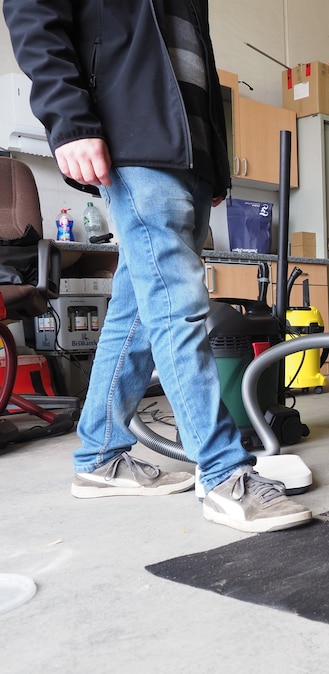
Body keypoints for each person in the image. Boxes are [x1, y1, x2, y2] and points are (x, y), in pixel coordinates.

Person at [4, 0, 312, 533]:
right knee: (179, 305)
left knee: (137, 316)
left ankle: (98, 455)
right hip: (132, 137)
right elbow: (32, 11)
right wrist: (68, 119)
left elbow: (196, 64)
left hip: (189, 152)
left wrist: (214, 165)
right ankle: (223, 473)